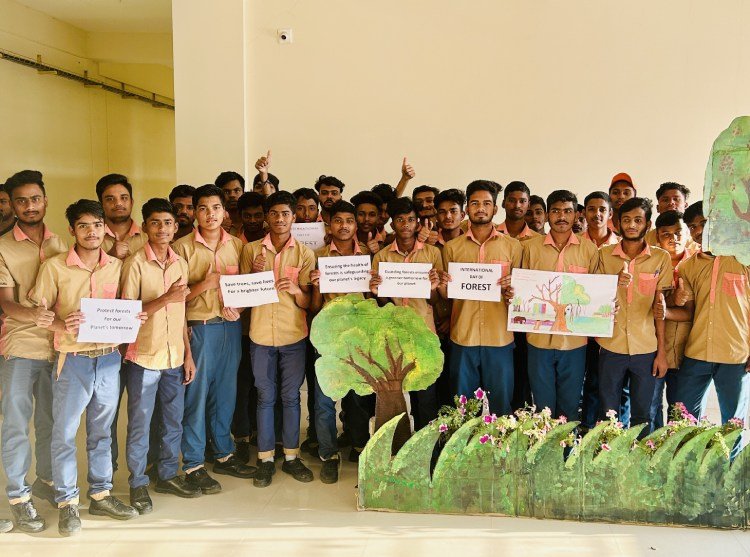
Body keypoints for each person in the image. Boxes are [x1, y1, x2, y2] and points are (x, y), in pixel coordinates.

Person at [29, 199, 145, 535]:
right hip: (73, 360)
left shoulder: (117, 267)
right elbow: (40, 314)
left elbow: (124, 306)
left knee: (101, 432)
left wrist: (132, 317)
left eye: (96, 225)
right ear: (72, 230)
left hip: (108, 359)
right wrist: (61, 324)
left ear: (104, 228)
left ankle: (100, 495)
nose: (91, 232)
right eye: (83, 226)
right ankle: (67, 502)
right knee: (65, 433)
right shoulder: (54, 267)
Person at [120, 198, 201, 515]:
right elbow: (127, 313)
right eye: (155, 222)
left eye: (168, 222)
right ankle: (138, 483)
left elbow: (180, 314)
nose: (162, 228)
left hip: (174, 356)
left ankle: (167, 475)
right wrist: (165, 298)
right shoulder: (135, 264)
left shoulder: (180, 263)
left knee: (173, 421)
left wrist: (188, 355)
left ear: (176, 226)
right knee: (140, 425)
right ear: (144, 227)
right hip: (144, 357)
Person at [172, 184, 255, 495]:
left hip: (230, 328)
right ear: (195, 212)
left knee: (225, 394)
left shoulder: (237, 245)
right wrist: (205, 284)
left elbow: (247, 287)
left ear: (224, 212)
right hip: (200, 328)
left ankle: (223, 453)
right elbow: (175, 297)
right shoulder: (182, 248)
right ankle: (193, 463)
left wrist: (240, 309)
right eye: (203, 208)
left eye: (216, 208)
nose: (210, 214)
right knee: (195, 396)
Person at [0, 170, 67, 533]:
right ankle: (18, 497)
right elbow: (6, 303)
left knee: (50, 422)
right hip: (20, 347)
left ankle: (47, 481)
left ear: (45, 200)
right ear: (12, 204)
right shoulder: (3, 247)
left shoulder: (61, 244)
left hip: (58, 348)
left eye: (35, 199)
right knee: (15, 424)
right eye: (21, 200)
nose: (29, 206)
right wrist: (34, 316)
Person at [241, 190, 315, 488]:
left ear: (293, 217)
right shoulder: (251, 251)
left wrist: (296, 290)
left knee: (291, 396)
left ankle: (292, 456)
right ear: (267, 217)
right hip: (260, 335)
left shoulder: (305, 253)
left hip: (293, 335)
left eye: (285, 214)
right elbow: (241, 294)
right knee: (265, 397)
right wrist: (252, 273)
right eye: (274, 213)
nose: (280, 219)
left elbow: (308, 303)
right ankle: (265, 459)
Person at [439, 180, 522, 415]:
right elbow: (447, 295)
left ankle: (498, 440)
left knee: (501, 407)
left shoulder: (514, 247)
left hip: (500, 338)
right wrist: (441, 285)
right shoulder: (452, 248)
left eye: (486, 203)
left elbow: (521, 295)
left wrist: (513, 290)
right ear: (467, 209)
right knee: (463, 408)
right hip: (463, 336)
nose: (481, 208)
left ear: (495, 209)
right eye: (475, 203)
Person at [516, 190, 598, 420]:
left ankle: (568, 444)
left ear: (576, 215)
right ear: (547, 214)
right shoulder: (529, 248)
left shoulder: (589, 250)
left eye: (567, 211)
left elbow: (595, 293)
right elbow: (520, 288)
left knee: (570, 406)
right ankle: (544, 444)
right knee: (542, 407)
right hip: (538, 340)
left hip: (574, 343)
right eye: (556, 211)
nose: (562, 217)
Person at [595, 197, 671, 432]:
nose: (631, 225)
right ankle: (610, 453)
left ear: (648, 224)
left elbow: (659, 310)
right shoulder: (603, 255)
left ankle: (642, 452)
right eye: (626, 220)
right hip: (610, 345)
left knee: (643, 414)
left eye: (638, 220)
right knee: (608, 413)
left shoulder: (661, 258)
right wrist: (612, 282)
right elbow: (591, 297)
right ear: (617, 223)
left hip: (646, 349)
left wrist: (661, 353)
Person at [308, 200, 369, 480]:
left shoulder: (368, 256)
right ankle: (328, 454)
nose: (344, 226)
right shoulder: (317, 257)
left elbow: (377, 301)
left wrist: (376, 287)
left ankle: (359, 445)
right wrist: (316, 287)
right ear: (329, 225)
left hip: (358, 338)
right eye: (338, 220)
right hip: (327, 337)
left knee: (358, 397)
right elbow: (313, 307)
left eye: (349, 221)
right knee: (324, 399)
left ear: (355, 225)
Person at [371, 197, 442, 429]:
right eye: (400, 220)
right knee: (395, 395)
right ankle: (398, 442)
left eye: (411, 219)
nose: (406, 225)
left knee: (426, 395)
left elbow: (435, 301)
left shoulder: (432, 254)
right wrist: (377, 291)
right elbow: (382, 302)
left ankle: (426, 443)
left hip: (424, 334)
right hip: (393, 336)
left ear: (418, 223)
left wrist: (434, 287)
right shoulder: (382, 257)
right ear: (392, 224)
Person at [668, 243, 749, 446]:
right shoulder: (688, 266)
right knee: (683, 420)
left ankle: (730, 466)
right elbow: (688, 311)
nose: (698, 230)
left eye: (703, 227)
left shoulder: (744, 261)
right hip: (696, 351)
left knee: (733, 425)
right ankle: (687, 464)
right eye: (693, 227)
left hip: (735, 354)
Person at [650, 210, 697, 428]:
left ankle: (674, 447)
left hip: (686, 348)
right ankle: (651, 445)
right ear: (657, 237)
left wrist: (667, 309)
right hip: (653, 347)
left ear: (687, 233)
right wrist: (670, 301)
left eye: (678, 232)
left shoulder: (697, 264)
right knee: (651, 406)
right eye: (666, 234)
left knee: (680, 410)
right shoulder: (651, 262)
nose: (673, 238)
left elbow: (692, 311)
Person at [579, 191, 620, 430]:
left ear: (610, 213)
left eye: (602, 209)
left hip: (608, 326)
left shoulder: (621, 247)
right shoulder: (575, 244)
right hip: (577, 326)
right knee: (581, 379)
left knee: (601, 380)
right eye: (592, 209)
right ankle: (582, 426)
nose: (597, 214)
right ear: (584, 213)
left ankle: (602, 429)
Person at [497, 181, 538, 410]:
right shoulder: (492, 234)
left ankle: (519, 419)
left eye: (522, 201)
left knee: (522, 373)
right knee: (499, 377)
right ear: (503, 203)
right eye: (512, 200)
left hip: (525, 319)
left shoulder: (537, 240)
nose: (517, 205)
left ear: (528, 204)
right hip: (496, 317)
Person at [433, 189, 466, 407]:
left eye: (453, 211)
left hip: (461, 325)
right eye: (442, 212)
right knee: (434, 387)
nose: (448, 216)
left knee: (458, 384)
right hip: (433, 325)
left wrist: (451, 318)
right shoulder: (427, 246)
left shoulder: (472, 245)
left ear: (462, 214)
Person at [96, 173, 148, 259]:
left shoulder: (148, 237)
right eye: (110, 199)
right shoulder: (91, 238)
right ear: (101, 205)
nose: (118, 203)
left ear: (131, 203)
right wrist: (109, 257)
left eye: (124, 198)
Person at [645, 183, 698, 250]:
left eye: (676, 199)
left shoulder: (698, 238)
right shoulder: (646, 240)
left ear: (685, 206)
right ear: (658, 208)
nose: (671, 203)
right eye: (665, 200)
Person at [215, 171, 245, 236]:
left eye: (237, 190)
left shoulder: (255, 221)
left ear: (243, 192)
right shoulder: (211, 223)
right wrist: (215, 231)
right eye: (226, 192)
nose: (232, 195)